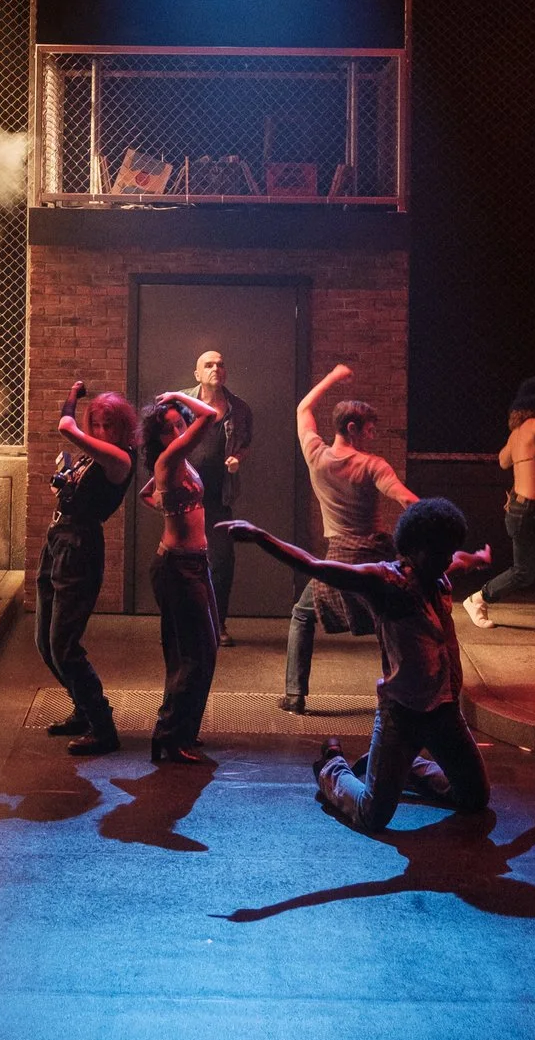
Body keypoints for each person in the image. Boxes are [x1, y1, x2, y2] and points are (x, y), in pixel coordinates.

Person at [228, 500, 494, 834]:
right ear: (413, 549)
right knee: (372, 815)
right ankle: (332, 767)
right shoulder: (386, 582)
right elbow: (314, 565)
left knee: (474, 797)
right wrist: (260, 536)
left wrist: (479, 558)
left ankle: (402, 768)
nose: (445, 561)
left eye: (448, 552)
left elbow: (460, 560)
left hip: (445, 712)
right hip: (403, 716)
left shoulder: (438, 575)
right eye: (438, 553)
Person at [281, 364, 416, 714]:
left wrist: (333, 376)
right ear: (352, 428)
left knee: (302, 616)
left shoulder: (316, 455)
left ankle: (294, 696)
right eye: (369, 430)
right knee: (389, 620)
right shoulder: (372, 465)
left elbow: (303, 408)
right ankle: (400, 691)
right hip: (372, 555)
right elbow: (404, 498)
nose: (372, 436)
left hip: (339, 557)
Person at [39, 379, 135, 757]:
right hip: (58, 541)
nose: (100, 430)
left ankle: (103, 727)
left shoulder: (120, 458)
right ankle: (82, 709)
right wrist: (63, 484)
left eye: (108, 425)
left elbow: (66, 427)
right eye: (96, 424)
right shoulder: (91, 457)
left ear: (122, 428)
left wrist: (72, 397)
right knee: (45, 642)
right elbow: (70, 486)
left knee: (64, 646)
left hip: (79, 549)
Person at [141, 389, 222, 764]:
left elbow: (148, 495)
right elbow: (210, 416)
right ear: (156, 437)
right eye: (167, 428)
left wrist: (165, 504)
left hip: (195, 563)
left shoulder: (181, 463)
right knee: (191, 654)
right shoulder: (170, 458)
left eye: (179, 425)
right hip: (176, 567)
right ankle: (169, 736)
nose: (176, 432)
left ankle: (184, 730)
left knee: (205, 649)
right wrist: (177, 394)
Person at [463, 377, 535, 636]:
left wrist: (527, 458)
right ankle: (478, 599)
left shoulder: (519, 432)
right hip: (528, 511)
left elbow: (503, 460)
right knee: (524, 572)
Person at [170, 349, 254, 643]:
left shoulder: (239, 409)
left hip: (219, 498)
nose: (215, 368)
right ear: (197, 374)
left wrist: (237, 458)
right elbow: (162, 439)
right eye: (208, 365)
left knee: (221, 562)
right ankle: (181, 625)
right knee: (179, 561)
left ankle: (216, 624)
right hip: (183, 496)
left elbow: (246, 443)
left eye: (220, 364)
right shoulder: (180, 402)